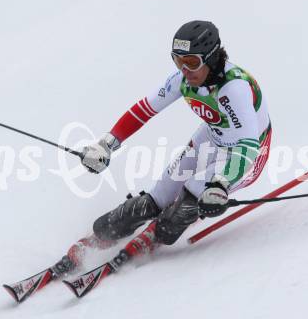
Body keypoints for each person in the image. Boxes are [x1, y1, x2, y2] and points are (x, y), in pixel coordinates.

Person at [52, 20, 272, 276]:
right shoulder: (184, 80)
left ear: (211, 58)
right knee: (157, 198)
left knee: (186, 205)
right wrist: (106, 144)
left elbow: (247, 146)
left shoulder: (235, 88)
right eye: (178, 61)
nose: (184, 70)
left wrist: (220, 185)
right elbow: (144, 110)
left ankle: (165, 227)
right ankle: (103, 233)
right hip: (212, 138)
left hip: (245, 154)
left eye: (191, 62)